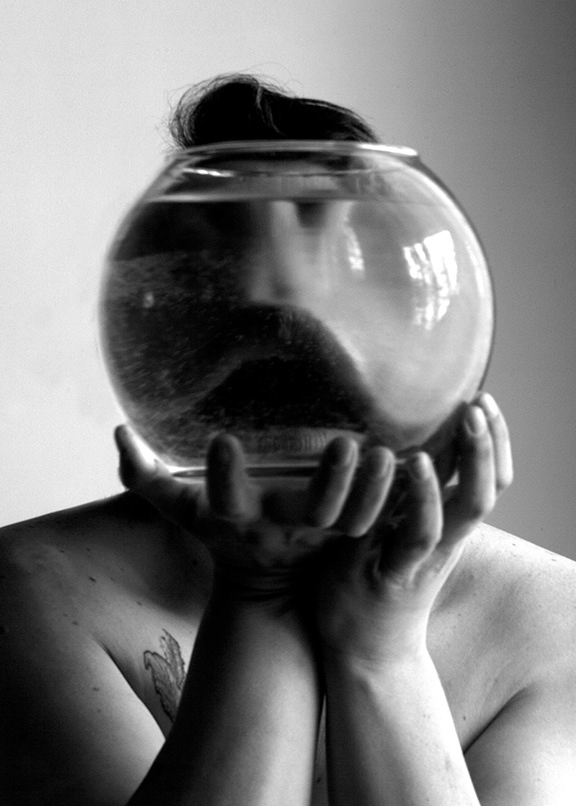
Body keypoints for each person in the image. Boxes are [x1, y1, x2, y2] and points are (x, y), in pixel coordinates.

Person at [1, 75, 575, 806]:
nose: (281, 296)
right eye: (221, 272)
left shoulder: (554, 618)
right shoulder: (31, 591)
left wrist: (383, 646)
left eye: (344, 270)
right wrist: (258, 595)